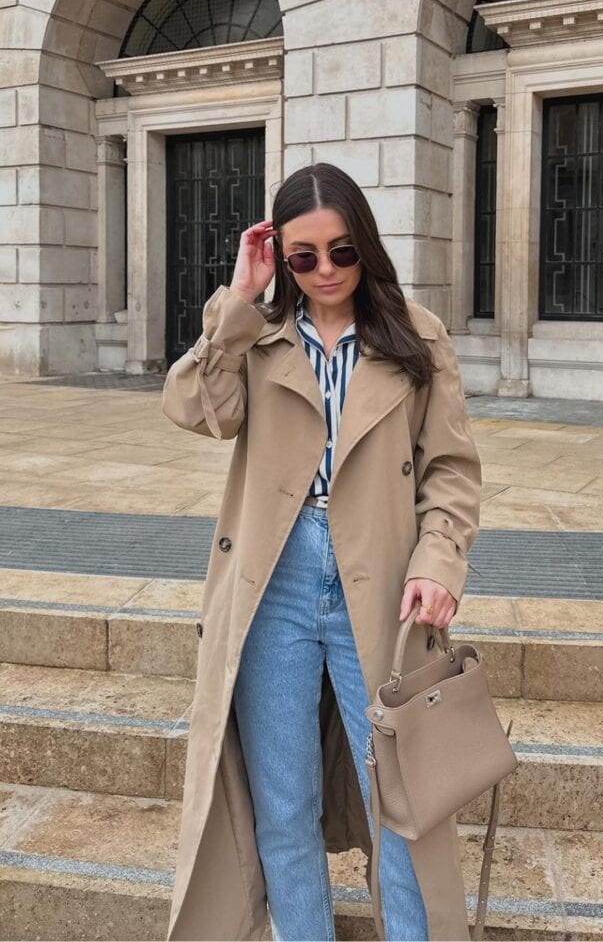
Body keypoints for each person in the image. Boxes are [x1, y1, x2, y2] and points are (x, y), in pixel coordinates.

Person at [162, 161, 482, 942]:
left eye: (341, 251)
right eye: (303, 257)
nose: (326, 270)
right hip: (272, 581)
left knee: (402, 800)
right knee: (283, 803)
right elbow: (193, 408)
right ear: (282, 259)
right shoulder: (257, 336)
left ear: (364, 245)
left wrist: (437, 562)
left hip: (380, 579)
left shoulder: (415, 334)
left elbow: (450, 469)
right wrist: (238, 300)